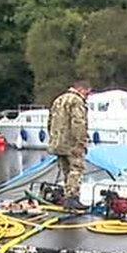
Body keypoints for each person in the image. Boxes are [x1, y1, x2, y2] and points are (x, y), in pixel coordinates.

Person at [48, 80, 92, 210]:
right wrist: (81, 142)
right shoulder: (76, 101)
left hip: (58, 143)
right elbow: (78, 122)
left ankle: (68, 197)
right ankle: (72, 198)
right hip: (71, 143)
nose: (87, 96)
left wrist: (53, 139)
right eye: (87, 93)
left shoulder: (58, 100)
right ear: (82, 90)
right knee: (76, 169)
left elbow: (50, 121)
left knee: (66, 170)